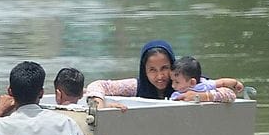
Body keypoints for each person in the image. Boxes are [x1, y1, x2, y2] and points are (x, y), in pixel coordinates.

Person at [84, 40, 238, 108]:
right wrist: (99, 103)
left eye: (164, 68)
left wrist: (199, 97)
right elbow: (98, 85)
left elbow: (229, 94)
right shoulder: (136, 86)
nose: (159, 76)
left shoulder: (189, 84)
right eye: (152, 70)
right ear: (144, 71)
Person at [170, 56, 244, 102]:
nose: (173, 86)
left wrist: (235, 83)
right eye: (172, 81)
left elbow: (222, 82)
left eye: (177, 82)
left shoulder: (205, 84)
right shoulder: (177, 94)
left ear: (192, 82)